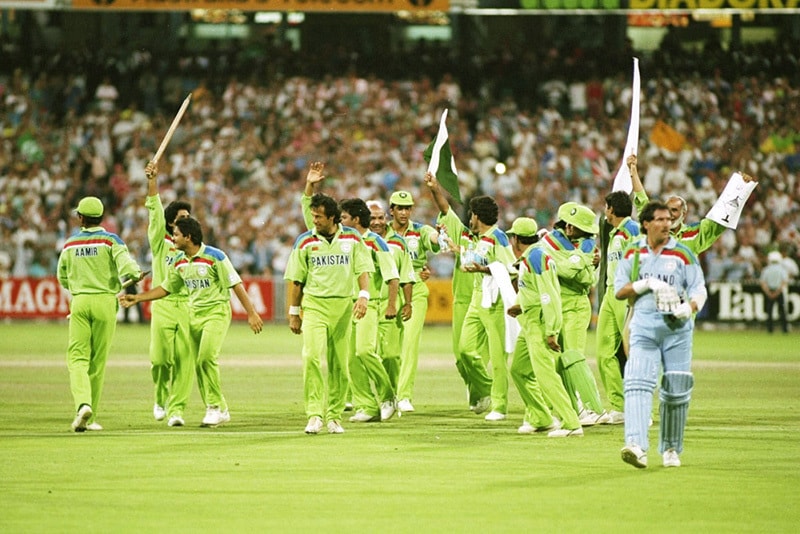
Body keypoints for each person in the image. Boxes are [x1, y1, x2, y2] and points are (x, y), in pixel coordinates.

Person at [120, 217, 263, 427]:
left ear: (188, 237)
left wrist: (251, 313)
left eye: (176, 234)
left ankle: (213, 407)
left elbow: (236, 284)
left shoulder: (215, 256)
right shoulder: (179, 261)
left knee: (206, 357)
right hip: (193, 314)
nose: (173, 238)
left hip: (216, 313)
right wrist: (138, 298)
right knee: (200, 363)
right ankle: (220, 408)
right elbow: (167, 288)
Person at [615, 201, 708, 468]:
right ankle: (635, 445)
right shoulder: (633, 253)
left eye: (669, 219)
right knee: (636, 382)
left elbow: (699, 289)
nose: (667, 224)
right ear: (645, 223)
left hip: (677, 330)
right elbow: (619, 290)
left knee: (676, 389)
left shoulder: (682, 253)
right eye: (660, 219)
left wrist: (687, 308)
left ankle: (670, 449)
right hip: (644, 327)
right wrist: (645, 284)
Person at [284, 193, 374, 435]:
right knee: (311, 356)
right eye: (313, 215)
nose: (315, 220)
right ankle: (314, 414)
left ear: (333, 217)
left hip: (344, 306)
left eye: (319, 217)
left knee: (340, 364)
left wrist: (364, 296)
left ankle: (333, 416)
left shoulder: (353, 237)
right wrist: (294, 312)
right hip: (314, 306)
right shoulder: (304, 241)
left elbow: (363, 268)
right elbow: (296, 280)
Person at [58, 196, 143, 432]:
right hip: (106, 302)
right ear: (101, 217)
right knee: (98, 361)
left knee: (77, 358)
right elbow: (127, 265)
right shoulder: (111, 240)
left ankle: (83, 405)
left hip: (80, 301)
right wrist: (134, 273)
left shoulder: (69, 244)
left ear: (81, 218)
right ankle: (91, 415)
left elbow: (62, 277)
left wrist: (79, 285)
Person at [424, 171, 494, 416]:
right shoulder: (462, 234)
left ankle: (483, 392)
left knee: (474, 353)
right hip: (462, 299)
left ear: (478, 217)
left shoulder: (494, 239)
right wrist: (434, 188)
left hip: (486, 300)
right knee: (460, 356)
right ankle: (483, 389)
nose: (470, 218)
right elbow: (445, 209)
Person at [506, 217, 584, 438]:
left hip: (540, 322)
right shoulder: (532, 256)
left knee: (545, 374)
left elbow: (549, 295)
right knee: (519, 370)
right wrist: (520, 305)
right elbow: (532, 289)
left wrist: (551, 330)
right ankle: (541, 418)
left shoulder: (537, 258)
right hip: (530, 321)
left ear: (516, 239)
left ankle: (571, 422)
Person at [541, 202, 608, 425]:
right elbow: (567, 270)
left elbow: (589, 280)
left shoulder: (589, 245)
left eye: (578, 227)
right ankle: (574, 407)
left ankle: (593, 407)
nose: (572, 230)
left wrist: (574, 264)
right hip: (556, 306)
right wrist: (582, 262)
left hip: (578, 306)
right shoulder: (549, 241)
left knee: (574, 358)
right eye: (571, 225)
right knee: (559, 361)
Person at [595, 154, 647, 424]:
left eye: (606, 208)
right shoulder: (615, 235)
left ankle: (643, 408)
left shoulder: (632, 232)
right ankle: (618, 407)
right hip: (609, 296)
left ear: (612, 210)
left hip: (628, 299)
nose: (604, 213)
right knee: (603, 352)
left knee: (634, 353)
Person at [144, 160, 193, 427]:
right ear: (171, 223)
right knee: (160, 360)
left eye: (189, 218)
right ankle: (160, 399)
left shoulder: (194, 245)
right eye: (182, 219)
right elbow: (153, 210)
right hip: (162, 304)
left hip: (187, 305)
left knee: (184, 360)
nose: (186, 222)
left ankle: (177, 409)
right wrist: (152, 180)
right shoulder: (159, 241)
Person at [386, 189, 440, 413]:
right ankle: (388, 394)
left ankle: (404, 395)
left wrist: (439, 235)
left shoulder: (420, 230)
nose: (405, 212)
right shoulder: (383, 234)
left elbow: (434, 240)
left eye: (408, 208)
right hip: (389, 290)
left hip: (416, 288)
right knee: (389, 348)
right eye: (400, 208)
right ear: (392, 210)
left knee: (410, 343)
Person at [367, 200, 415, 390]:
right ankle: (363, 398)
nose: (377, 222)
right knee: (363, 353)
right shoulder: (359, 242)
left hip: (390, 304)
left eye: (380, 218)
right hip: (366, 304)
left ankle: (392, 393)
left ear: (386, 217)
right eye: (372, 218)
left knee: (390, 355)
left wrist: (408, 303)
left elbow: (406, 275)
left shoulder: (398, 242)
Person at [759, 250, 789, 334]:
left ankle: (770, 329)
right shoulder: (782, 269)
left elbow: (763, 282)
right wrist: (778, 292)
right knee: (782, 311)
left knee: (769, 311)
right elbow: (784, 282)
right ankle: (784, 329)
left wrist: (768, 292)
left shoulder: (766, 270)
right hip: (779, 292)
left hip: (770, 291)